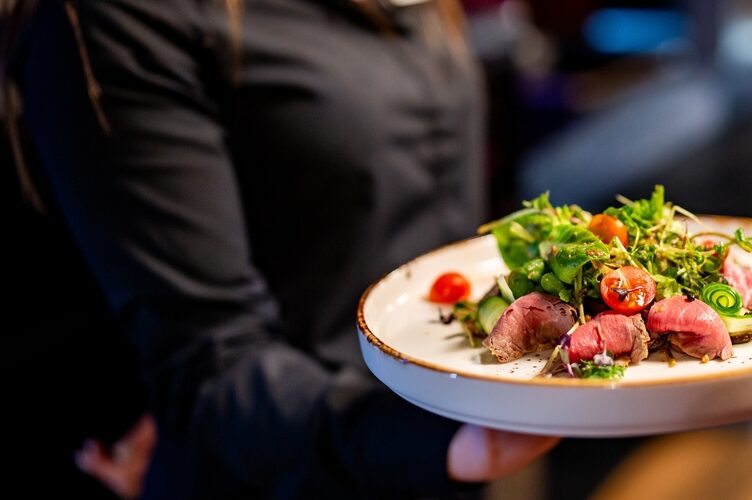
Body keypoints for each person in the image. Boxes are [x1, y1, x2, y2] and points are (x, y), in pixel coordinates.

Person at [5, 0, 557, 497]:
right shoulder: (119, 20)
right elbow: (210, 354)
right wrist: (443, 443)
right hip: (308, 459)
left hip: (453, 440)